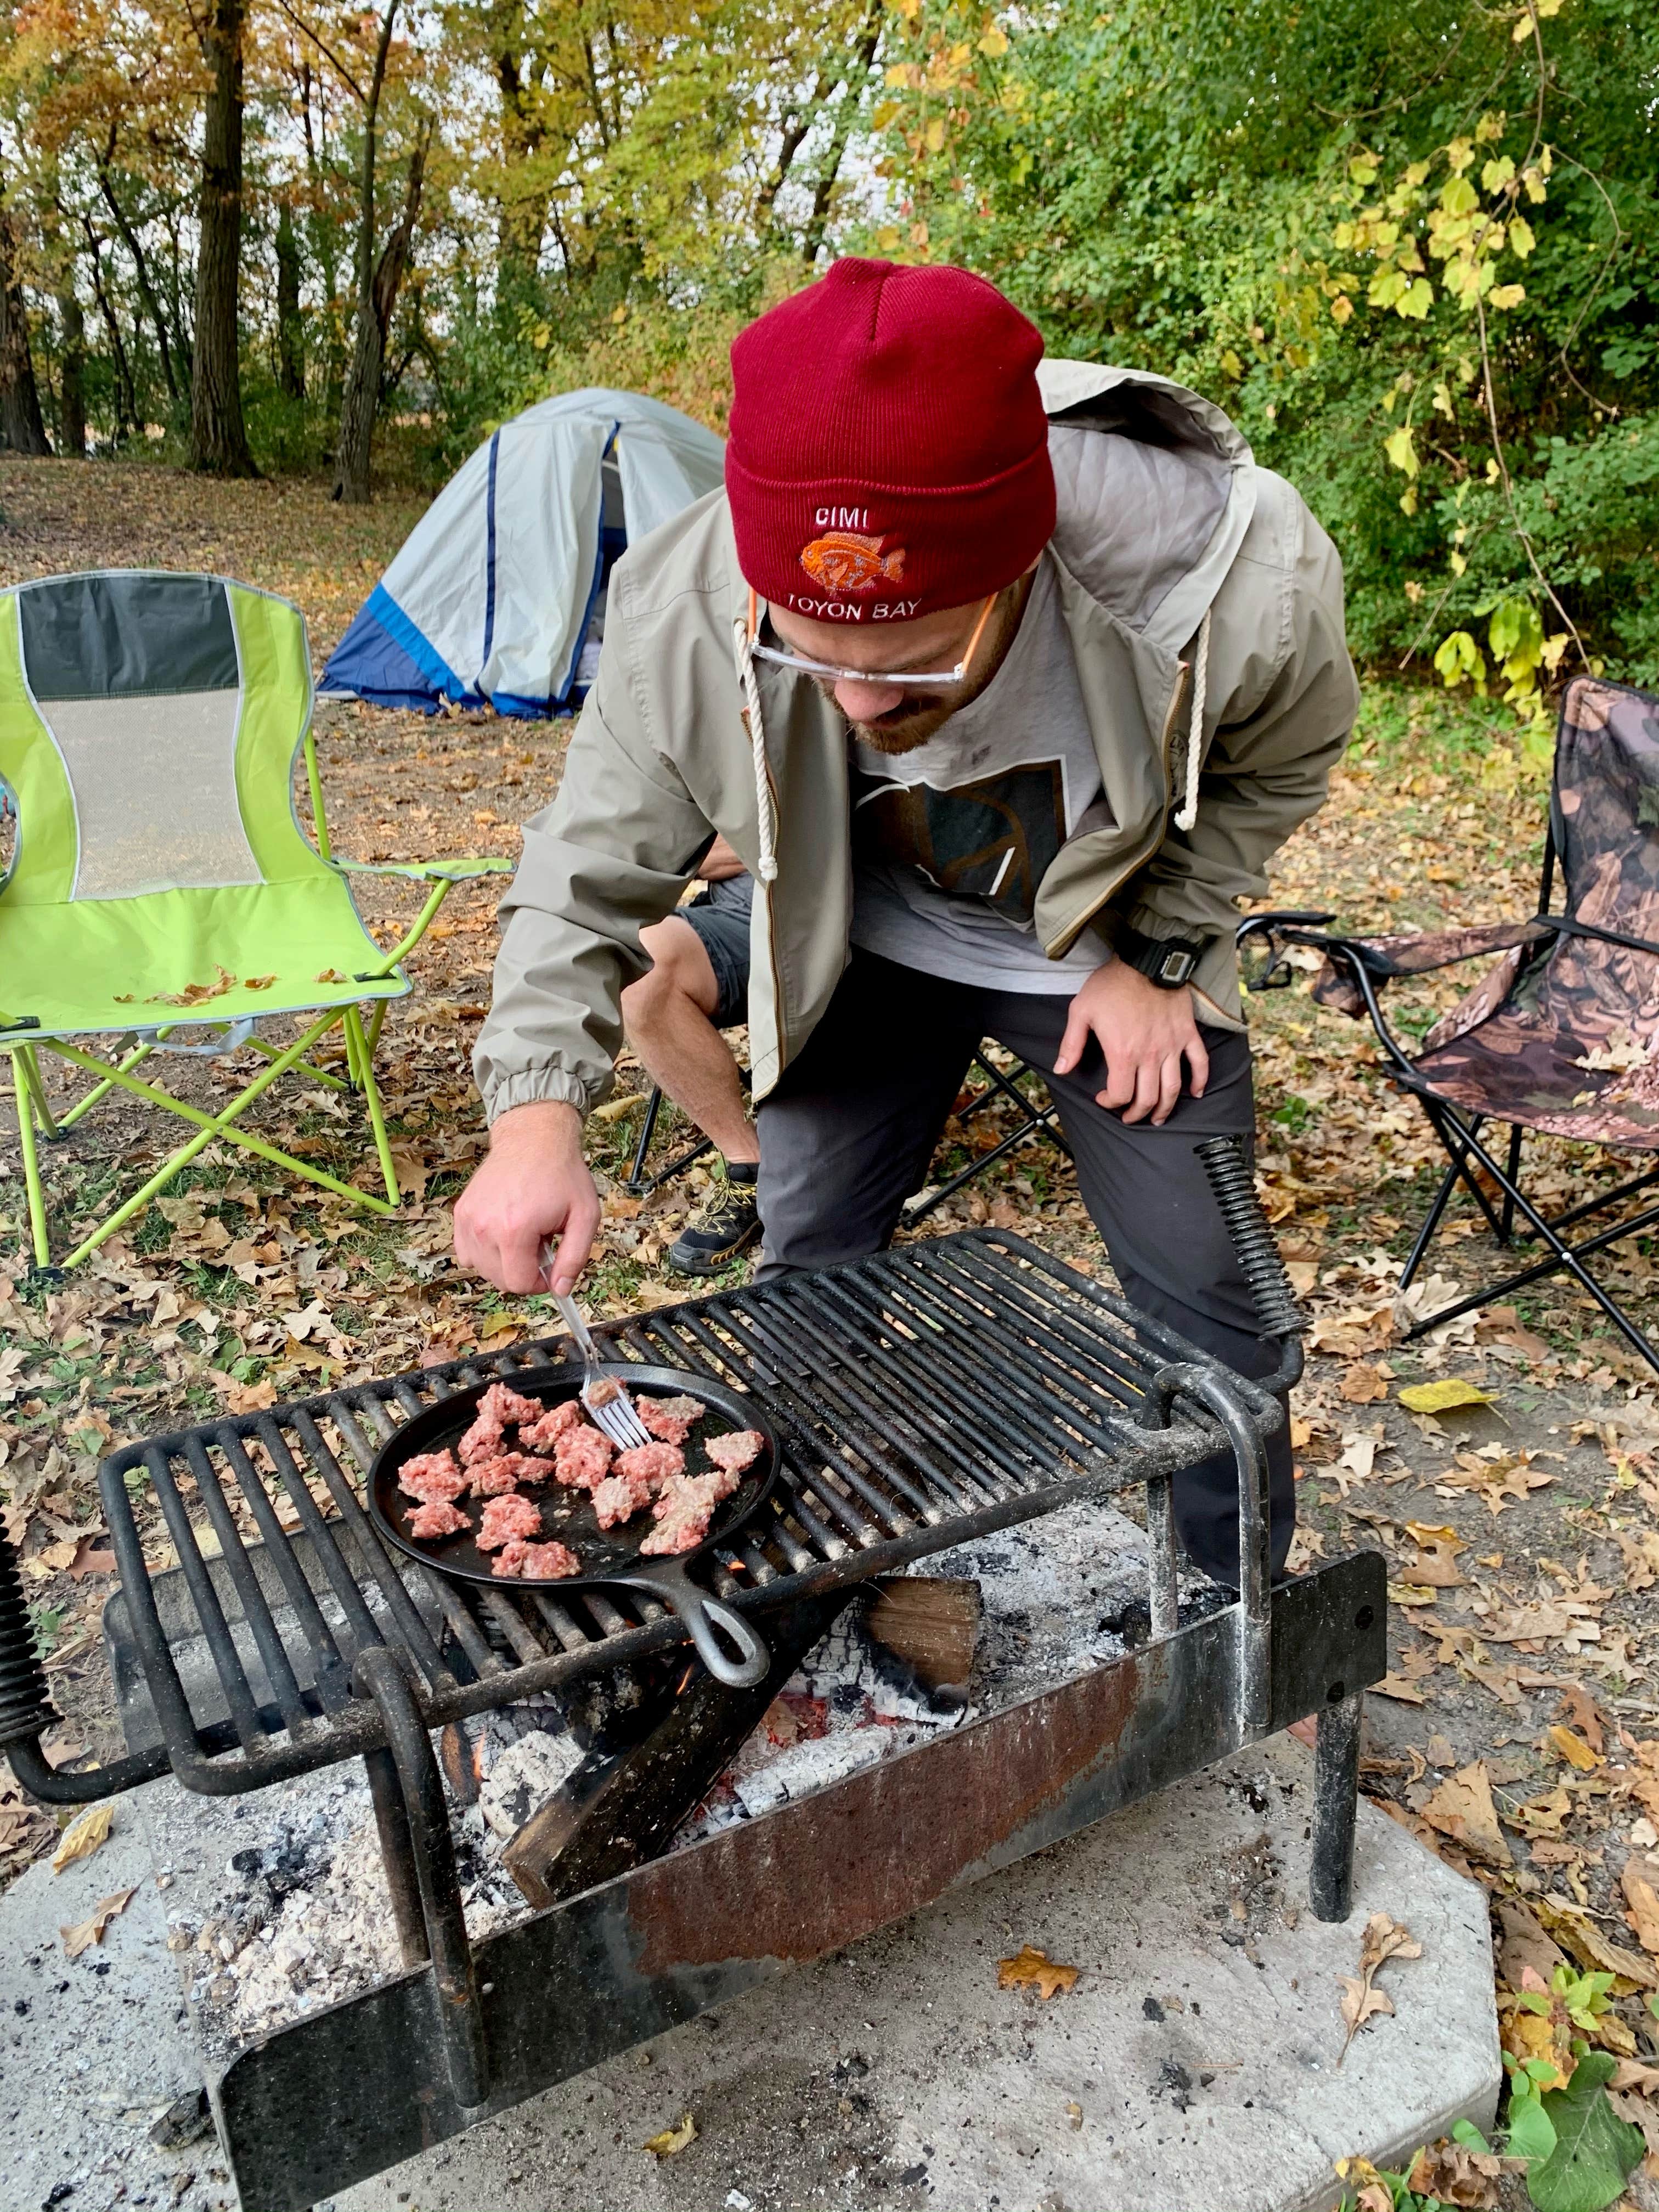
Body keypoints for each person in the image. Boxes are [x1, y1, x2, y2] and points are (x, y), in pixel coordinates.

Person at [455, 256, 1359, 1596]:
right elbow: (588, 869)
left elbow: (1285, 757)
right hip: (855, 946)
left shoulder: (1229, 581)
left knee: (1210, 1309)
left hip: (1096, 954)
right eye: (810, 654)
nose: (862, 706)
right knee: (806, 1266)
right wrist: (534, 1117)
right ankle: (797, 1587)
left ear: (1018, 570)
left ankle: (1231, 1618)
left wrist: (1163, 953)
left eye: (915, 659)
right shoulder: (692, 603)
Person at [620, 833, 761, 1273]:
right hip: (733, 916)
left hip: (843, 919)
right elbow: (669, 839)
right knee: (638, 962)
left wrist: (701, 851)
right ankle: (751, 1168)